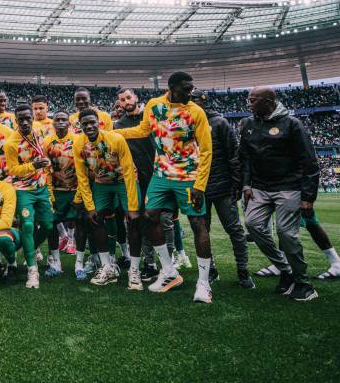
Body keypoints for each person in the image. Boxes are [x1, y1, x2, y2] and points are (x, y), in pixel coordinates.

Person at [115, 72, 214, 303]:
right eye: (186, 90)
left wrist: (200, 185)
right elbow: (142, 130)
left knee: (198, 223)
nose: (190, 94)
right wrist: (112, 132)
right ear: (171, 88)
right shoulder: (154, 105)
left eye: (191, 89)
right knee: (150, 216)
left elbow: (207, 150)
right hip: (161, 174)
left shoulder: (195, 112)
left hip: (189, 175)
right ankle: (169, 272)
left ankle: (203, 283)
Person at [240, 87, 320, 301]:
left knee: (287, 234)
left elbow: (309, 162)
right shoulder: (247, 124)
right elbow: (245, 158)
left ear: (268, 102)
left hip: (288, 187)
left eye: (253, 100)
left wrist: (308, 197)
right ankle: (286, 270)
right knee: (253, 224)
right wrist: (246, 185)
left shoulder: (292, 124)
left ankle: (304, 284)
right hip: (259, 187)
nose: (248, 103)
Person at [72, 109, 142, 290]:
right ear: (80, 126)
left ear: (99, 122)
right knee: (95, 218)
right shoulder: (78, 143)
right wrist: (89, 207)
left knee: (133, 220)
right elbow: (82, 176)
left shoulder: (116, 139)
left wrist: (133, 206)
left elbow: (128, 171)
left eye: (92, 122)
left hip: (122, 181)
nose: (89, 126)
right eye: (84, 123)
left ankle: (134, 270)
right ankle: (107, 267)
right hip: (101, 182)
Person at [190, 90, 253, 289]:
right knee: (201, 230)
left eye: (194, 101)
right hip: (198, 187)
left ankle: (243, 271)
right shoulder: (186, 124)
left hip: (223, 186)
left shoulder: (219, 123)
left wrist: (236, 183)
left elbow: (234, 155)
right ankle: (211, 270)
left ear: (203, 102)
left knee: (234, 229)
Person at [5, 104, 54, 289]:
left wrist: (45, 162)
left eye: (28, 119)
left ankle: (30, 249)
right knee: (27, 224)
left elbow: (44, 151)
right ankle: (32, 271)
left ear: (32, 118)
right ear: (16, 121)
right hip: (23, 189)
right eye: (21, 120)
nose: (25, 122)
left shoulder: (40, 131)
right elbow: (13, 170)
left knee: (49, 225)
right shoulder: (11, 143)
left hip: (41, 187)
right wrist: (33, 165)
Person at [42, 111, 77, 277]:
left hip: (76, 190)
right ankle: (55, 261)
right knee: (53, 225)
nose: (61, 122)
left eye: (64, 119)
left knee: (82, 223)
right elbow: (46, 170)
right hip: (57, 190)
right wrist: (50, 192)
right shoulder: (48, 142)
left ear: (69, 123)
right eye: (58, 120)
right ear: (53, 123)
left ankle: (81, 262)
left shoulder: (77, 140)